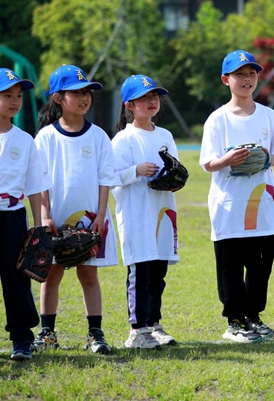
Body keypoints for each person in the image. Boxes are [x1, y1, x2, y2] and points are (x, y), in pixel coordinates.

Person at [200, 50, 274, 343]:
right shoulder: (217, 119)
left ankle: (253, 316)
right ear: (226, 80)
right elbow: (208, 163)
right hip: (229, 204)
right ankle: (235, 321)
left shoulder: (268, 115)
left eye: (251, 73)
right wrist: (228, 159)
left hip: (263, 202)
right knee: (231, 265)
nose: (247, 79)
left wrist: (263, 158)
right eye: (240, 74)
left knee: (260, 264)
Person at [34, 65, 118, 355]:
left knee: (89, 275)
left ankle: (95, 333)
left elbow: (106, 180)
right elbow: (39, 180)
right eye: (76, 92)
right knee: (51, 275)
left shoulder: (98, 137)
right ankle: (47, 332)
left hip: (90, 220)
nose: (84, 97)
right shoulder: (46, 137)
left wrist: (102, 216)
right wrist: (45, 216)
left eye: (87, 92)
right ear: (58, 98)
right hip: (56, 218)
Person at [111, 75, 181, 350]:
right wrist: (136, 171)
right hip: (137, 212)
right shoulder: (123, 139)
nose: (152, 101)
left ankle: (153, 325)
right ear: (129, 104)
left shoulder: (165, 135)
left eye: (155, 96)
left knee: (158, 270)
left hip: (162, 209)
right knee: (140, 270)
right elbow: (112, 176)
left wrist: (174, 177)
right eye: (144, 97)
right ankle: (137, 330)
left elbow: (175, 167)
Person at [0, 69, 50, 361]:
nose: (15, 101)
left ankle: (21, 339)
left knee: (16, 279)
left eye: (18, 96)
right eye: (7, 95)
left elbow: (34, 187)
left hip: (14, 216)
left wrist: (39, 229)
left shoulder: (24, 139)